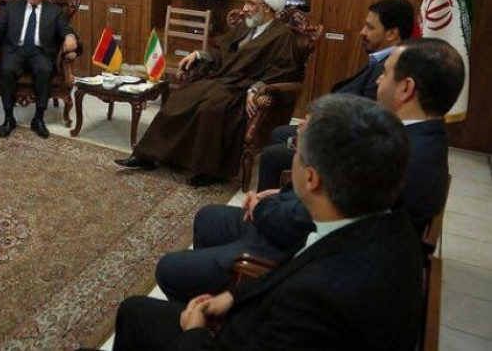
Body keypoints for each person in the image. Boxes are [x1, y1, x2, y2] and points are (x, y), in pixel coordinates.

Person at [155, 38, 463, 304]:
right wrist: (282, 193)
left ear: (406, 88)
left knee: (169, 269)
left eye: (385, 73)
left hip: (294, 249)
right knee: (208, 217)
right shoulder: (422, 137)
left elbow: (322, 218)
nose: (379, 80)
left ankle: (207, 313)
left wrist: (264, 207)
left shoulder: (405, 154)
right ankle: (212, 284)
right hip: (306, 224)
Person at [106, 94, 424, 351]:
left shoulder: (316, 298)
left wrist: (195, 332)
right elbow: (294, 265)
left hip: (235, 337)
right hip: (254, 317)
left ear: (311, 178)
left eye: (295, 149)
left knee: (135, 313)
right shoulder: (391, 229)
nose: (290, 154)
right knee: (137, 311)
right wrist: (234, 297)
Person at [115, 0, 301, 187]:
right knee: (179, 100)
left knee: (210, 109)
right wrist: (199, 54)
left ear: (266, 8)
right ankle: (147, 156)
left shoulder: (281, 35)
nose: (244, 9)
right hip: (222, 79)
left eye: (250, 4)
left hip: (241, 87)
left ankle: (209, 170)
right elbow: (220, 49)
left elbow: (284, 71)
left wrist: (257, 87)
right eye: (245, 3)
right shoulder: (246, 26)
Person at [257, 0, 414, 191]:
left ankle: (283, 202)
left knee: (271, 156)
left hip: (345, 144)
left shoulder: (390, 68)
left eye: (370, 27)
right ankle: (293, 192)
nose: (362, 32)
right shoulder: (381, 58)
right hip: (339, 128)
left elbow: (366, 118)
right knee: (280, 134)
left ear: (392, 33)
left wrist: (318, 126)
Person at [0, 0, 77, 139]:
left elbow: (65, 29)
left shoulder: (54, 11)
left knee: (45, 70)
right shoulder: (13, 7)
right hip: (16, 51)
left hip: (40, 52)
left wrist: (70, 37)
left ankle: (38, 118)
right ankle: (9, 118)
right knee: (6, 69)